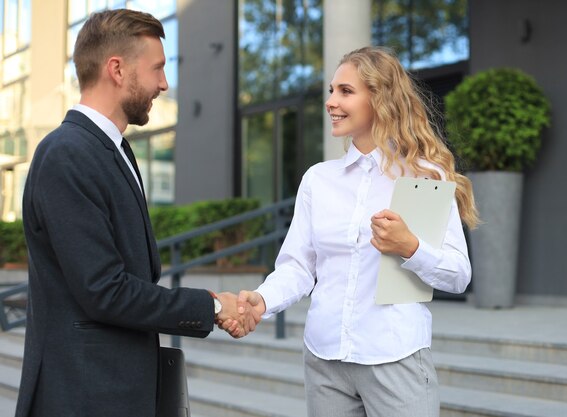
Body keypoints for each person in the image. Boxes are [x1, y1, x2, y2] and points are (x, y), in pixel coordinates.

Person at [15, 9, 259, 417]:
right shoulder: (66, 154)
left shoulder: (113, 150)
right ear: (117, 69)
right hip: (83, 395)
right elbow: (105, 291)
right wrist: (213, 307)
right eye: (158, 68)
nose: (164, 83)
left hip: (115, 388)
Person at [227, 46, 479, 417]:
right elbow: (298, 266)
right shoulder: (318, 180)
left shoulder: (424, 176)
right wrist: (262, 301)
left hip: (395, 358)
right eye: (331, 90)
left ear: (381, 98)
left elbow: (458, 275)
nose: (331, 102)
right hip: (324, 359)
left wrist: (410, 247)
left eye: (345, 91)